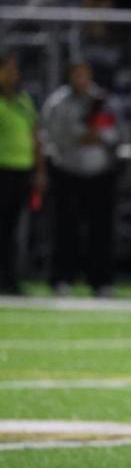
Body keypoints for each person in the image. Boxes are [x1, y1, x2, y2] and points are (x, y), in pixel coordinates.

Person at [41, 62, 120, 297]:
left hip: (100, 172)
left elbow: (114, 133)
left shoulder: (103, 101)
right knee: (65, 228)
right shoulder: (58, 102)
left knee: (101, 230)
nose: (81, 79)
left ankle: (100, 281)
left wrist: (96, 136)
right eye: (77, 75)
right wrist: (85, 136)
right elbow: (54, 136)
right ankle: (62, 277)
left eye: (85, 75)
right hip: (67, 170)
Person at [0, 51, 44, 296]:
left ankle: (9, 278)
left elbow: (36, 137)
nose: (12, 74)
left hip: (20, 170)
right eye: (7, 69)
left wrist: (39, 171)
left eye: (14, 70)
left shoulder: (24, 100)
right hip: (1, 169)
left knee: (11, 228)